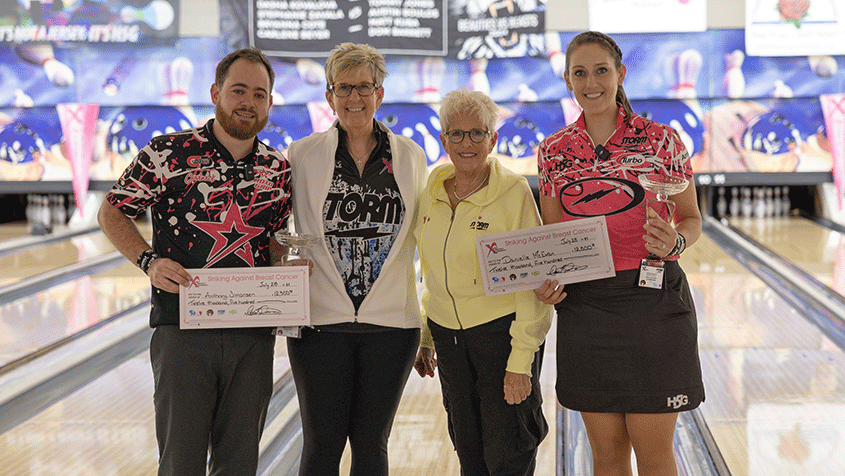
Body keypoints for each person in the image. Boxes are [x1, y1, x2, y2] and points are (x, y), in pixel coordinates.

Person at [97, 48, 290, 476]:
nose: (248, 102)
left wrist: (286, 276)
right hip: (182, 330)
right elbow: (112, 211)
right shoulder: (169, 153)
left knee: (239, 464)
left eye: (259, 94)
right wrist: (148, 261)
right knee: (181, 462)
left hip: (252, 335)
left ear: (270, 103)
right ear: (215, 92)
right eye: (238, 90)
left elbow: (277, 240)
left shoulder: (278, 169)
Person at [533, 31, 704, 476]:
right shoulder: (552, 152)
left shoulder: (662, 141)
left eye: (601, 71)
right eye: (580, 73)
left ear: (620, 74)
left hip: (654, 304)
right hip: (587, 308)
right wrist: (549, 281)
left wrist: (676, 242)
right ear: (568, 80)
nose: (592, 83)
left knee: (653, 452)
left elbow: (691, 219)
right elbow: (553, 237)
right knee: (606, 454)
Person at [284, 42, 427, 476]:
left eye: (364, 87)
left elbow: (425, 239)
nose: (354, 98)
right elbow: (277, 229)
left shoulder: (410, 156)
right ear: (329, 96)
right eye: (343, 87)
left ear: (379, 94)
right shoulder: (301, 154)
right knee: (321, 447)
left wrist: (432, 329)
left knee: (371, 447)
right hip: (318, 323)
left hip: (393, 325)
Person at [413, 88, 556, 475]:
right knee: (469, 454)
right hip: (450, 342)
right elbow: (432, 271)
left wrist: (520, 362)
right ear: (444, 140)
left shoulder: (513, 192)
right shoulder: (432, 189)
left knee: (509, 454)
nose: (466, 143)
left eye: (477, 133)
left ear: (493, 139)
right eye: (456, 134)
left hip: (501, 338)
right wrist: (426, 335)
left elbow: (533, 283)